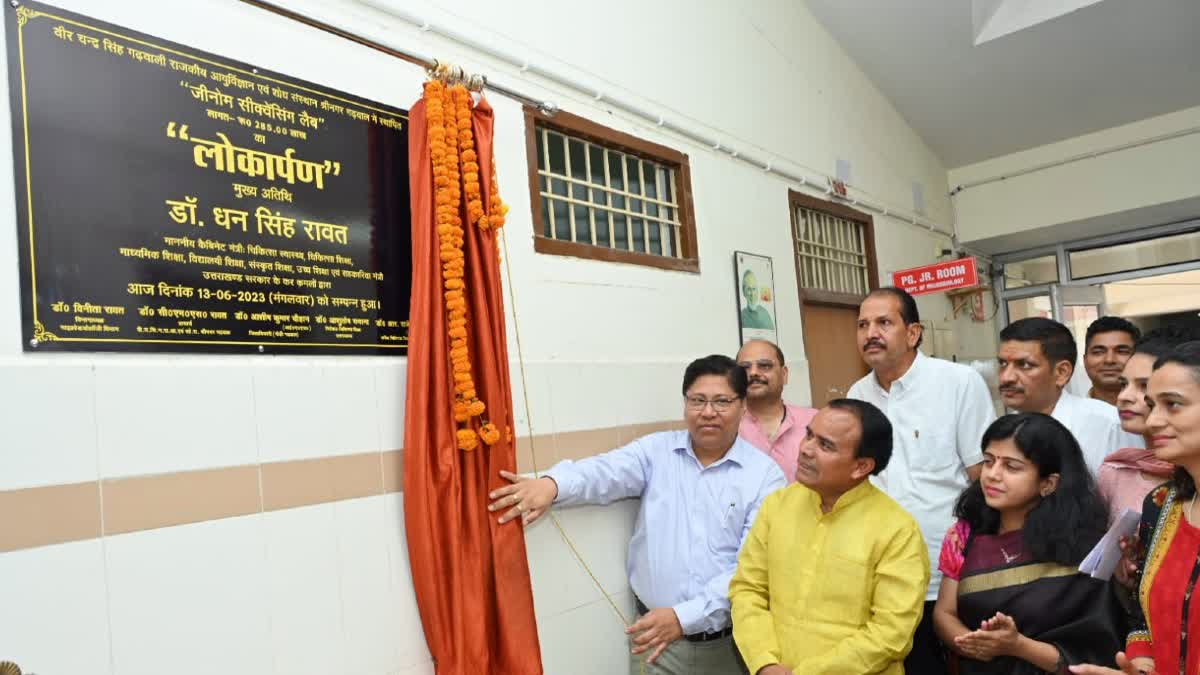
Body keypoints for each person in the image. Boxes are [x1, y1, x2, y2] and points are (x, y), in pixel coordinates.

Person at [487, 354, 786, 674]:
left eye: (722, 401)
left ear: (742, 406)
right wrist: (552, 485)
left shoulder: (765, 476)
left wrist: (684, 617)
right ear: (685, 404)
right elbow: (603, 472)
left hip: (733, 645)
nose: (708, 412)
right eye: (697, 400)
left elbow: (750, 568)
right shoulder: (657, 452)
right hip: (656, 643)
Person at [847, 286, 995, 675]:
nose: (870, 333)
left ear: (912, 333)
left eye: (883, 323)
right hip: (877, 571)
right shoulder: (857, 395)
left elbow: (983, 477)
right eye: (862, 325)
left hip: (941, 574)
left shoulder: (958, 382)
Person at [730, 399, 929, 675]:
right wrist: (764, 662)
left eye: (825, 445)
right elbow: (747, 589)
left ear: (861, 467)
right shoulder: (777, 506)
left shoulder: (897, 530)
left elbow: (891, 634)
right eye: (809, 434)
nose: (805, 449)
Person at [931, 413, 1124, 673]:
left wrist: (1017, 645)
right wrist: (976, 644)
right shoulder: (964, 535)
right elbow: (945, 613)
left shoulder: (1084, 546)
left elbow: (1094, 646)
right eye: (988, 462)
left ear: (1048, 483)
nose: (992, 475)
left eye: (1011, 467)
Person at [1070, 341, 1200, 675]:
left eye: (1172, 405)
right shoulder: (1162, 504)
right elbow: (1144, 615)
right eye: (1152, 404)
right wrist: (1140, 665)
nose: (1153, 420)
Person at [997, 317, 1142, 473]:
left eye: (1025, 365)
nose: (1007, 377)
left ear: (1062, 373)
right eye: (1003, 364)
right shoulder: (1003, 430)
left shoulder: (1110, 425)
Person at [1099, 330, 1187, 523]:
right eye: (1123, 384)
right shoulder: (1115, 474)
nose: (1123, 396)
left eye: (1144, 385)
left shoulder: (1193, 471)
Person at [736, 339, 817, 482]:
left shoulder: (815, 421)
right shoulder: (726, 426)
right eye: (745, 368)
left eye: (765, 366)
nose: (753, 372)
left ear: (784, 374)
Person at [1084, 317, 1141, 407]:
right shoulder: (1067, 418)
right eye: (1098, 352)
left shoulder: (1158, 414)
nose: (1109, 360)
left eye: (1121, 351)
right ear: (1085, 360)